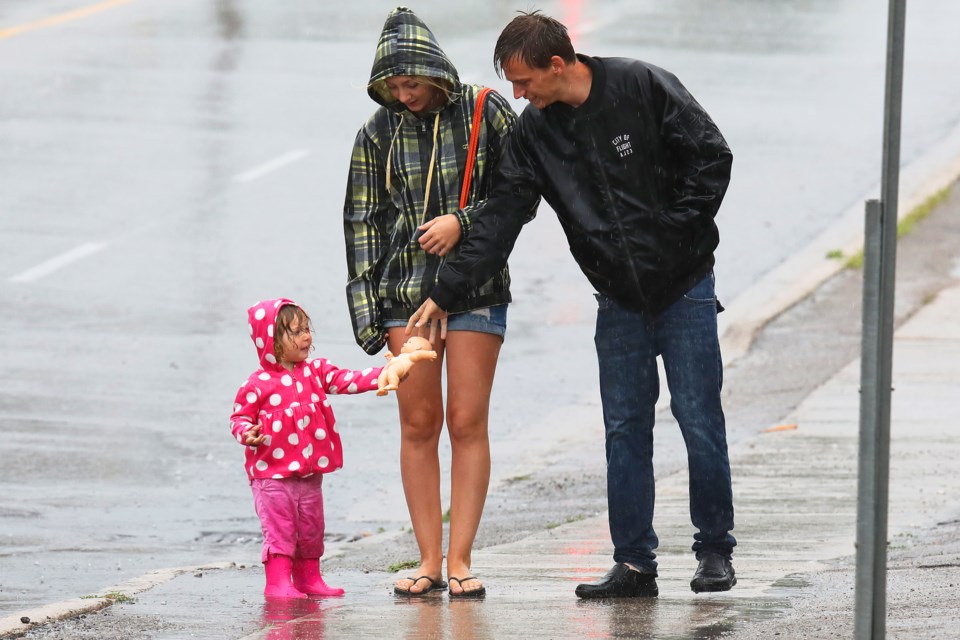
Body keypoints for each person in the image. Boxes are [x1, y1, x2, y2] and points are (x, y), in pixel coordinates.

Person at [410, 11, 737, 598]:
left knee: (698, 419)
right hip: (617, 300)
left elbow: (712, 157)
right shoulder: (534, 133)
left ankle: (714, 551)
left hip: (685, 286)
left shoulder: (641, 85)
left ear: (557, 64)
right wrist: (445, 291)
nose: (517, 94)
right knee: (624, 428)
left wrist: (674, 232)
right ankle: (634, 562)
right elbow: (502, 216)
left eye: (523, 81)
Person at [343, 7, 534, 598]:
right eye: (394, 87)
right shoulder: (378, 132)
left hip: (477, 289)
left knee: (467, 422)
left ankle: (461, 560)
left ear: (435, 73)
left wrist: (462, 220)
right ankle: (427, 560)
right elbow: (361, 223)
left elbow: (519, 193)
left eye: (412, 83)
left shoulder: (485, 110)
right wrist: (369, 318)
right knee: (418, 424)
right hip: (406, 298)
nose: (405, 95)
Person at [230, 298, 400, 599]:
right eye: (295, 332)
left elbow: (347, 379)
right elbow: (239, 418)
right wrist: (248, 433)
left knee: (311, 527)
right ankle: (278, 583)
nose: (306, 337)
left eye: (307, 329)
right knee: (281, 527)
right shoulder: (258, 384)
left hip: (309, 473)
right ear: (270, 341)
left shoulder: (315, 373)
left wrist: (385, 373)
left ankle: (309, 578)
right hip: (272, 476)